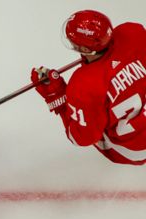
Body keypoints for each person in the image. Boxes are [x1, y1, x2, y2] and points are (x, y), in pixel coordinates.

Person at [31, 10, 146, 165]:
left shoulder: (83, 84)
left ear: (86, 50)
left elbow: (82, 138)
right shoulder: (133, 32)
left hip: (136, 150)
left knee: (91, 118)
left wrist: (57, 95)